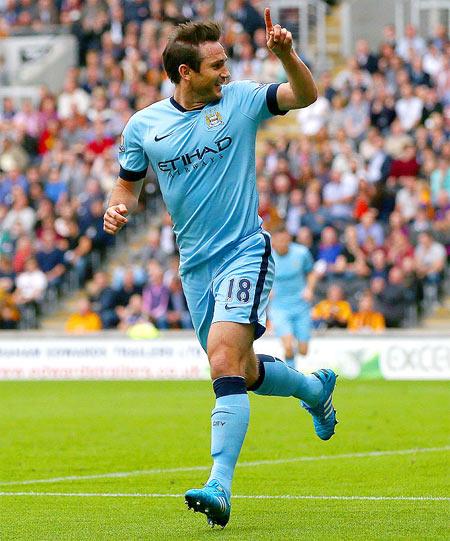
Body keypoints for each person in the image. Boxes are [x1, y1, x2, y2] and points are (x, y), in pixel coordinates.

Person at [103, 11, 337, 529]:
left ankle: (219, 485)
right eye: (216, 65)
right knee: (244, 371)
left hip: (244, 251)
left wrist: (286, 56)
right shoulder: (144, 126)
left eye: (226, 61)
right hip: (195, 269)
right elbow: (128, 183)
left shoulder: (242, 99)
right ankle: (316, 391)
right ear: (186, 73)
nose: (225, 71)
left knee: (224, 359)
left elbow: (305, 96)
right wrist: (118, 206)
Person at [269, 225, 317, 368]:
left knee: (303, 350)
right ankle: (292, 375)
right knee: (288, 347)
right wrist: (267, 290)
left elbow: (311, 273)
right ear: (273, 242)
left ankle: (294, 360)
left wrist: (309, 289)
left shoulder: (301, 253)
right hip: (279, 307)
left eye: (285, 240)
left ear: (289, 239)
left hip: (301, 305)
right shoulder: (268, 257)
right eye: (279, 241)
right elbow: (260, 276)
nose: (282, 244)